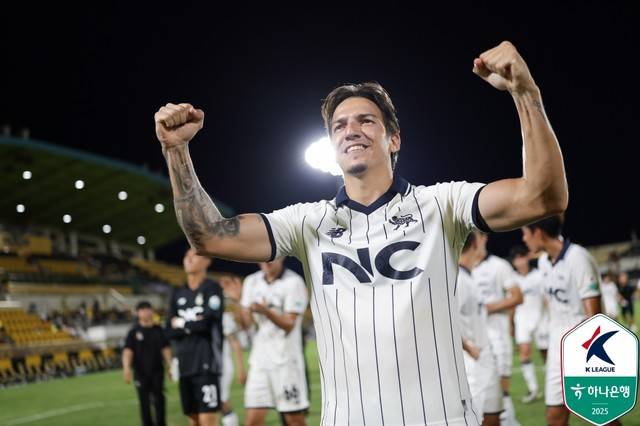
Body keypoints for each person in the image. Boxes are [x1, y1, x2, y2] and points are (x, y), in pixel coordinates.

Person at [154, 41, 569, 425]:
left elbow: (543, 197)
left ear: (394, 139)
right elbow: (208, 236)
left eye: (366, 120)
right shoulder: (307, 223)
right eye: (339, 126)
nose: (350, 130)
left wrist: (525, 93)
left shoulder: (442, 204)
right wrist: (176, 151)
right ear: (332, 146)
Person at [521, 216, 602, 426]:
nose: (524, 239)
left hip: (583, 342)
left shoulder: (577, 257)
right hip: (557, 342)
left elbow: (594, 314)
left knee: (599, 415)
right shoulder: (543, 262)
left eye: (526, 233)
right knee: (555, 416)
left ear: (538, 233)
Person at [227, 259, 309, 426]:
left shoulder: (293, 282)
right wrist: (238, 302)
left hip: (287, 362)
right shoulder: (252, 281)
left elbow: (289, 325)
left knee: (294, 420)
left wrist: (266, 312)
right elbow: (247, 324)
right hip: (260, 361)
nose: (266, 261)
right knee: (252, 421)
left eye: (271, 257)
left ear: (281, 256)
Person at [167, 248, 225, 426]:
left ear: (207, 261)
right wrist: (193, 324)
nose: (188, 259)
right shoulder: (177, 292)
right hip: (184, 365)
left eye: (194, 255)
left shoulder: (212, 288)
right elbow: (168, 330)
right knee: (193, 420)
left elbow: (207, 324)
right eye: (186, 256)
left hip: (207, 363)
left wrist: (181, 323)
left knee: (208, 419)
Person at [472, 234, 522, 425]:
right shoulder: (461, 268)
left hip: (497, 334)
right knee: (480, 395)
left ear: (484, 238)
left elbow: (517, 296)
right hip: (473, 339)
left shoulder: (498, 265)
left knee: (501, 390)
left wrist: (488, 308)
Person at [457, 231, 502, 426]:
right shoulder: (457, 279)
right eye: (482, 237)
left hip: (485, 356)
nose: (486, 240)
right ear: (475, 242)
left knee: (493, 415)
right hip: (472, 362)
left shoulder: (469, 276)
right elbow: (443, 320)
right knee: (475, 418)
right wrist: (468, 347)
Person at [123, 301, 172, 426]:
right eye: (142, 310)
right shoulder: (133, 332)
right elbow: (128, 351)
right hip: (141, 373)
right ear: (138, 313)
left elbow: (165, 349)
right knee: (144, 402)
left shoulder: (158, 330)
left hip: (157, 372)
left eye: (148, 309)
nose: (146, 312)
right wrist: (126, 368)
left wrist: (170, 366)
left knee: (159, 400)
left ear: (152, 311)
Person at [509, 245, 548, 404]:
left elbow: (546, 299)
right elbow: (512, 303)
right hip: (522, 320)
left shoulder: (538, 275)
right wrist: (510, 324)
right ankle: (533, 390)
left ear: (527, 258)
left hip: (541, 319)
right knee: (524, 353)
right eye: (516, 259)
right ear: (513, 262)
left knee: (546, 354)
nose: (520, 262)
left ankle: (552, 386)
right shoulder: (512, 279)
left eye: (522, 257)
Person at [218, 275, 248, 426]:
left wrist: (240, 369)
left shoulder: (224, 317)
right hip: (210, 366)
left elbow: (235, 343)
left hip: (223, 366)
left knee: (221, 400)